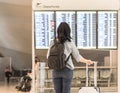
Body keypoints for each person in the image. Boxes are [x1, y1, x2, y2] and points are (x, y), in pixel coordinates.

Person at [47, 22, 94, 93]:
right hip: (67, 70)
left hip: (56, 71)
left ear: (58, 31)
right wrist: (87, 61)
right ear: (68, 31)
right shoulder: (70, 42)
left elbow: (48, 56)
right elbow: (77, 57)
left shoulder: (53, 42)